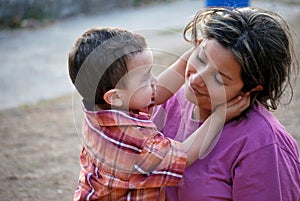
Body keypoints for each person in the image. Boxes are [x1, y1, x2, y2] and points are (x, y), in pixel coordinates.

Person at [68, 27, 249, 201]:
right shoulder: (128, 138)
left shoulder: (106, 107)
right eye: (146, 77)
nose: (154, 80)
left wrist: (195, 54)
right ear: (114, 96)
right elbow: (182, 157)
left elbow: (159, 92)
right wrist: (218, 117)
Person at [152, 7, 300, 201]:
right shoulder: (170, 101)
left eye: (219, 79)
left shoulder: (264, 146)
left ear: (251, 88)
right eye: (201, 58)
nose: (196, 79)